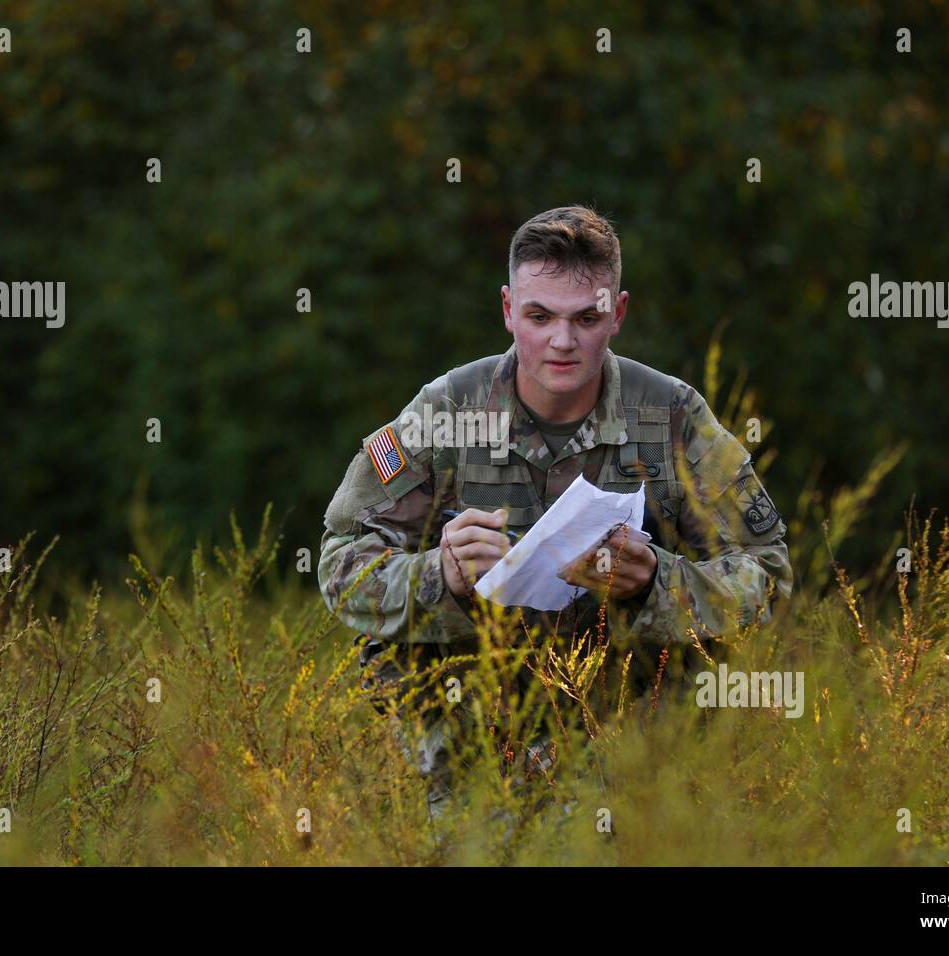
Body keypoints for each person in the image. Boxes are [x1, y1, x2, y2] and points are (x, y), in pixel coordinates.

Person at [318, 205, 793, 818]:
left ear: (616, 313)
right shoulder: (444, 412)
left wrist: (654, 582)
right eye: (540, 316)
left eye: (586, 318)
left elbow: (770, 577)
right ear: (508, 309)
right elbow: (339, 566)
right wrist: (443, 575)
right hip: (461, 761)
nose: (562, 341)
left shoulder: (671, 417)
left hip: (630, 763)